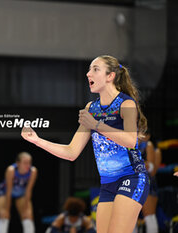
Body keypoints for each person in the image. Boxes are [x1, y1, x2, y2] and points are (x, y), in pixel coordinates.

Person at [21, 55, 150, 233]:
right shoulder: (92, 108)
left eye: (95, 69)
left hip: (132, 177)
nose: (88, 73)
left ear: (110, 76)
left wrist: (96, 125)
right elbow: (71, 152)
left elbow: (130, 140)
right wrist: (37, 141)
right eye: (89, 69)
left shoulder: (126, 104)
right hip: (107, 183)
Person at [0, 151, 38, 233]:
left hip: (21, 194)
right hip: (5, 192)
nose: (28, 166)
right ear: (18, 163)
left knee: (28, 215)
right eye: (25, 163)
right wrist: (7, 209)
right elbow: (9, 190)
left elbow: (28, 190)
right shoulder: (11, 170)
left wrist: (26, 208)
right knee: (4, 215)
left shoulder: (33, 171)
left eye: (29, 163)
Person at [136, 131, 160, 233]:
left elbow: (152, 169)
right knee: (130, 217)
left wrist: (136, 162)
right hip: (133, 183)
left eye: (143, 133)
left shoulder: (150, 146)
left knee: (149, 216)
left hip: (147, 182)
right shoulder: (130, 145)